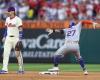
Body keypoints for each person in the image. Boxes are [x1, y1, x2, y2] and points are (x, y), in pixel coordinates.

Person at [0, 7, 24, 74]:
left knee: (18, 54)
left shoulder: (18, 19)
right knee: (5, 54)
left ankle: (21, 69)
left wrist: (20, 39)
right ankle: (5, 69)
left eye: (8, 11)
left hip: (16, 38)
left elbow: (21, 29)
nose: (7, 13)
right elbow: (6, 29)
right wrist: (4, 36)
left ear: (12, 11)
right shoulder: (7, 19)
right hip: (8, 38)